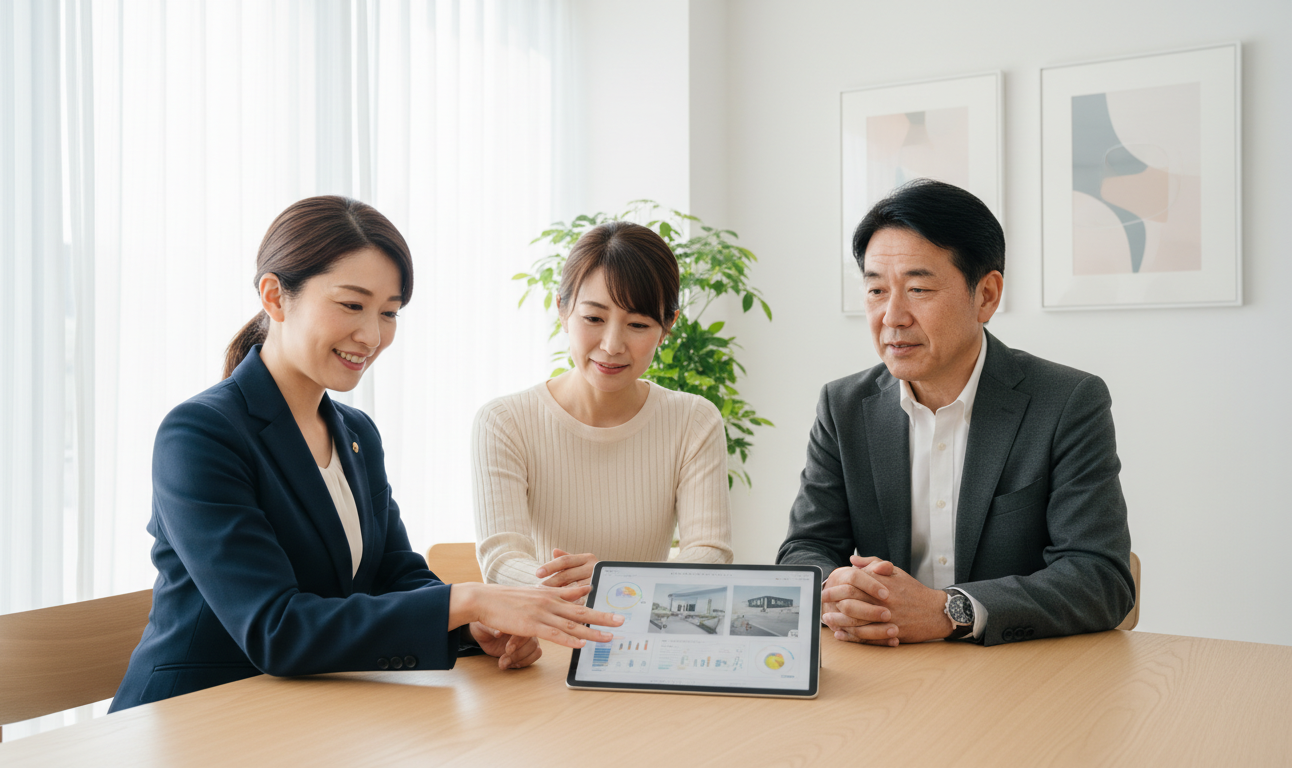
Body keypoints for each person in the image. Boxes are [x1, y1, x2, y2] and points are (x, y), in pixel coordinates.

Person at [111, 196, 623, 712]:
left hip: (306, 714)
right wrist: (469, 598)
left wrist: (474, 625)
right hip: (194, 717)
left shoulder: (355, 432)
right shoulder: (200, 434)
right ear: (275, 296)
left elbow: (394, 575)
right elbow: (276, 629)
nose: (373, 336)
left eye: (389, 313)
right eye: (351, 305)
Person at [776, 179, 1133, 647]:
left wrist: (950, 612)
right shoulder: (843, 406)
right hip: (888, 669)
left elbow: (1100, 578)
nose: (892, 316)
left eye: (919, 289)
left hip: (1021, 675)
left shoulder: (1067, 402)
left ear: (986, 295)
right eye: (876, 291)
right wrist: (835, 589)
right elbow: (805, 551)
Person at [472, 221, 733, 589]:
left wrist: (612, 583)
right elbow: (503, 562)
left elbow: (710, 554)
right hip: (548, 633)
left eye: (638, 325)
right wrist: (599, 589)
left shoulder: (694, 420)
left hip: (649, 637)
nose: (611, 345)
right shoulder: (504, 422)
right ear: (562, 309)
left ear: (668, 325)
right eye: (594, 318)